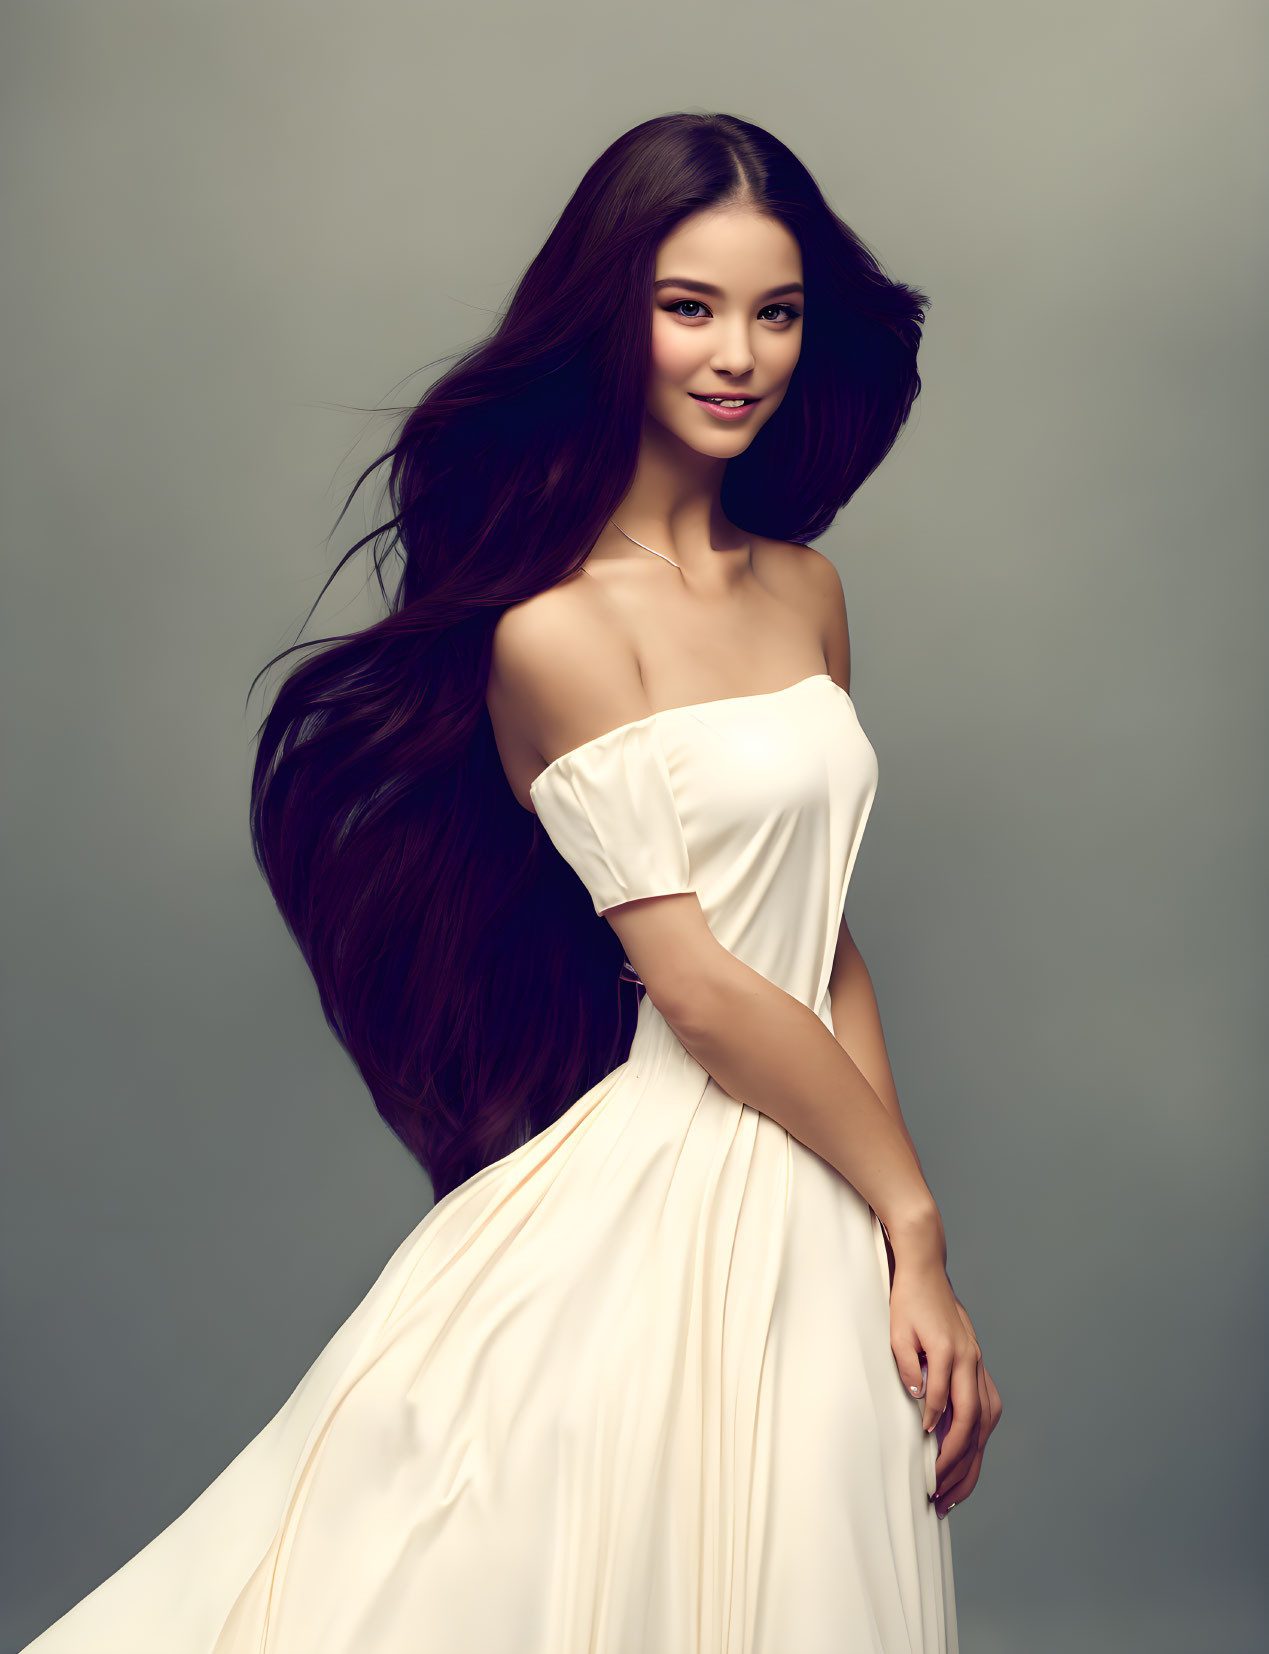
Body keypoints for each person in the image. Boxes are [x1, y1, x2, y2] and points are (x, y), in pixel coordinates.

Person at [22, 111, 1001, 1653]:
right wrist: (916, 1212)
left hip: (824, 1182)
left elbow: (821, 941)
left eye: (776, 310)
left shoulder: (808, 586)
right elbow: (696, 984)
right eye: (689, 306)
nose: (738, 353)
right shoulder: (551, 631)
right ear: (611, 317)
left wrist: (897, 1248)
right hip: (665, 1197)